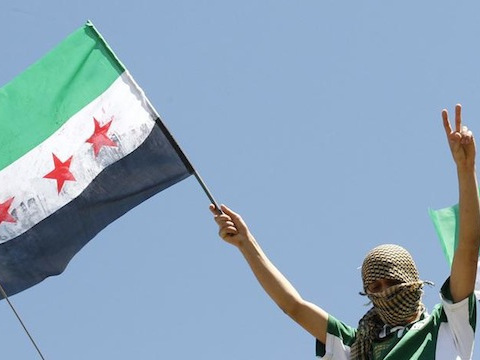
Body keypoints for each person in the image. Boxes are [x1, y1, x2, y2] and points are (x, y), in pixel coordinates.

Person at [210, 104, 479, 359]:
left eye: (393, 283)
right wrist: (247, 244)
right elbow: (293, 305)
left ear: (413, 281)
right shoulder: (357, 346)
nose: (385, 292)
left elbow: (467, 248)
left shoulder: (448, 324)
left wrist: (465, 169)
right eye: (375, 287)